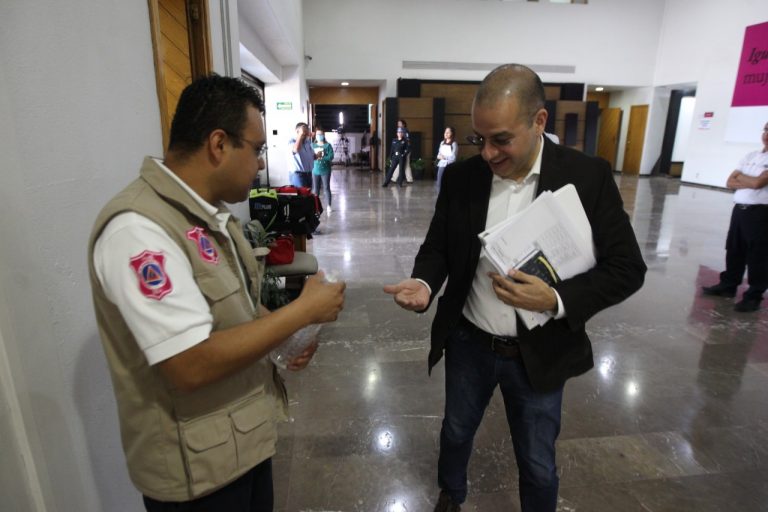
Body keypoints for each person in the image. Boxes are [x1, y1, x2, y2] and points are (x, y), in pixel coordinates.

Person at [383, 64, 646, 512]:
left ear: (539, 122)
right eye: (478, 139)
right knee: (456, 430)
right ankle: (452, 494)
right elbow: (439, 247)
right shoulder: (464, 178)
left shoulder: (586, 177)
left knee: (538, 459)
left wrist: (557, 300)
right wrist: (426, 282)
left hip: (540, 349)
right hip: (470, 340)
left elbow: (627, 267)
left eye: (501, 139)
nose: (487, 153)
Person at [87, 75, 346, 511]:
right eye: (257, 148)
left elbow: (233, 310)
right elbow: (189, 363)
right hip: (197, 476)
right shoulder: (140, 231)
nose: (261, 164)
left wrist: (280, 338)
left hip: (239, 445)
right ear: (219, 144)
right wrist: (301, 313)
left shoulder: (208, 219)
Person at [702, 121, 768, 312]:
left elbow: (758, 184)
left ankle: (754, 296)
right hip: (740, 210)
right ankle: (728, 285)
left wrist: (744, 179)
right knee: (734, 249)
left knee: (758, 256)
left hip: (761, 213)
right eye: (765, 129)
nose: (766, 134)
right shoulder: (751, 155)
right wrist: (750, 180)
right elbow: (729, 181)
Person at [311, 127, 334, 213]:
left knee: (326, 188)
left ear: (323, 135)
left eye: (321, 134)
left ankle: (328, 205)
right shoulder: (312, 145)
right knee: (315, 189)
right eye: (317, 134)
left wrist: (323, 157)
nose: (319, 136)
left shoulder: (328, 146)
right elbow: (309, 156)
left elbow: (331, 156)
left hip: (325, 170)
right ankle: (315, 206)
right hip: (315, 170)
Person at [289, 122, 315, 188]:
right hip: (298, 175)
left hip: (308, 174)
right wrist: (300, 134)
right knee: (301, 196)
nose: (305, 133)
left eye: (306, 131)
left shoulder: (307, 142)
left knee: (308, 196)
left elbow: (312, 156)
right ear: (297, 131)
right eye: (304, 131)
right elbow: (296, 150)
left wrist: (316, 156)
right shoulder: (292, 141)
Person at [390, 119, 415, 184]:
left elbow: (407, 141)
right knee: (405, 164)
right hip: (403, 150)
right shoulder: (401, 131)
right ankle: (409, 179)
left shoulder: (404, 131)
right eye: (398, 123)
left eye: (400, 123)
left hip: (405, 151)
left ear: (403, 124)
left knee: (401, 164)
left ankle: (394, 178)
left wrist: (406, 150)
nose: (398, 124)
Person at [435, 126, 459, 191]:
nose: (446, 134)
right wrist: (440, 156)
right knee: (439, 182)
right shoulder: (442, 143)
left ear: (452, 134)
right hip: (441, 165)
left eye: (448, 132)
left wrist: (444, 157)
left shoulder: (454, 144)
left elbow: (453, 157)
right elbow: (438, 155)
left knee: (449, 183)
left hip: (449, 165)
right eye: (445, 132)